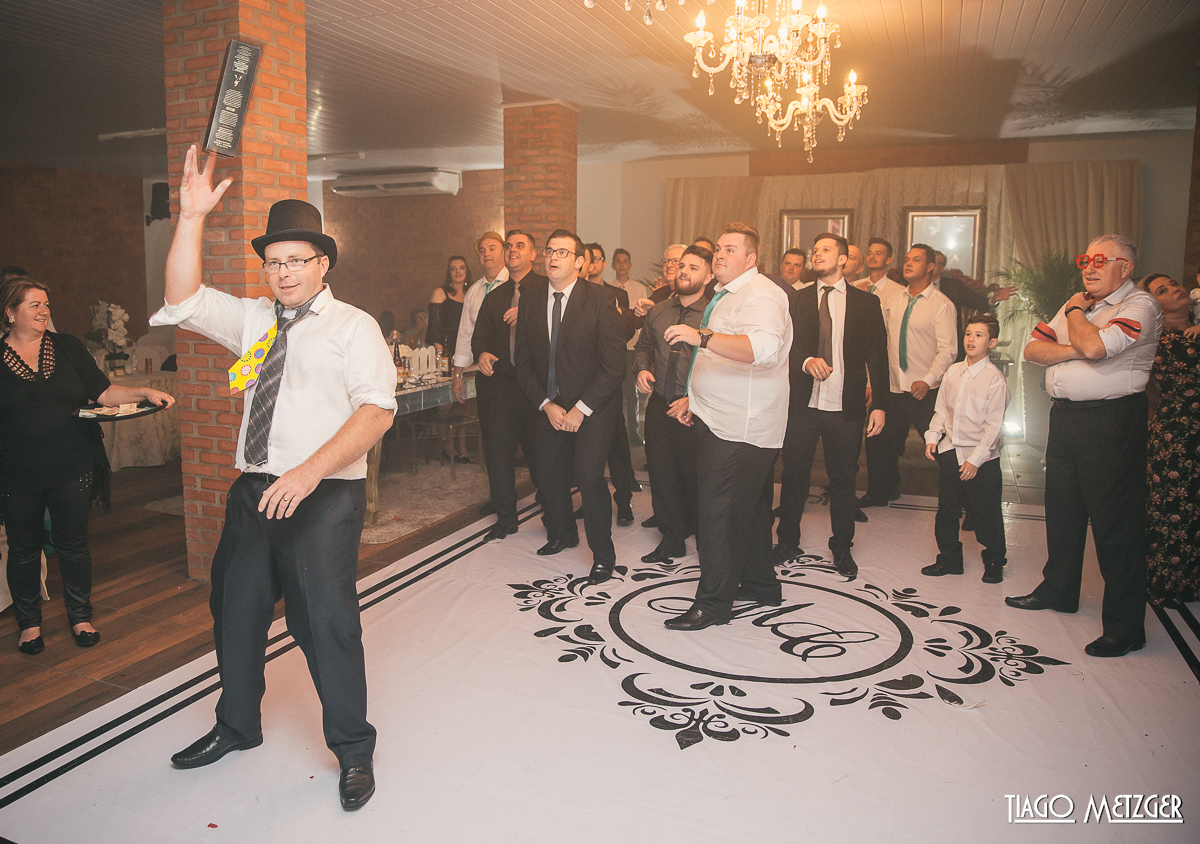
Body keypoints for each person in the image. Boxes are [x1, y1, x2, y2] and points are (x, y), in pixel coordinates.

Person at [156, 147, 395, 809]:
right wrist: (190, 216)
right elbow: (180, 297)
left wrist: (308, 473)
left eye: (297, 260)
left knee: (327, 626)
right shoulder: (256, 321)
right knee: (233, 613)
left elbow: (376, 411)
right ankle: (236, 727)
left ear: (323, 265)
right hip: (254, 491)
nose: (284, 272)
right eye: (274, 261)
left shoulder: (353, 327)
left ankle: (353, 750)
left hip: (323, 496)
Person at [1006, 234, 1161, 658]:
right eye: (1084, 260)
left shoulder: (1138, 306)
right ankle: (1059, 590)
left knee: (1115, 524)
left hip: (1110, 423)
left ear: (1125, 268)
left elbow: (1096, 347)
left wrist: (1075, 314)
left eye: (1099, 261)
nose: (1088, 268)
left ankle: (1126, 626)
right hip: (1068, 417)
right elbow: (1033, 350)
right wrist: (1080, 343)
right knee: (1063, 510)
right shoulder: (1081, 304)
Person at [0, 277, 174, 656]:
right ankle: (29, 625)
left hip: (71, 464)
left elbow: (104, 391)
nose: (44, 310)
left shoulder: (66, 347)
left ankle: (80, 617)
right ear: (11, 312)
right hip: (16, 473)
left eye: (46, 304)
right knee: (24, 549)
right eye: (34, 305)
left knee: (73, 546)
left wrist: (142, 392)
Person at [661, 223, 792, 630]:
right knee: (749, 509)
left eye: (731, 250)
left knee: (716, 513)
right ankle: (759, 584)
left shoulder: (764, 296)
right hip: (720, 418)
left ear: (751, 259)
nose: (719, 255)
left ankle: (715, 603)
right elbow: (719, 361)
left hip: (742, 427)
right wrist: (694, 400)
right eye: (718, 248)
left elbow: (762, 351)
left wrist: (700, 335)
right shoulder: (728, 293)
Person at [514, 230, 626, 585]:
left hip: (592, 406)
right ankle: (563, 532)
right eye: (549, 251)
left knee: (589, 477)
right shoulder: (530, 299)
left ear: (580, 261)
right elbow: (524, 363)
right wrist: (546, 404)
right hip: (550, 405)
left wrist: (581, 408)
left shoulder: (600, 299)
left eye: (562, 252)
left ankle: (603, 555)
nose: (553, 257)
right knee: (547, 474)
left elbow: (614, 366)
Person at [774, 234, 887, 576]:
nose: (817, 254)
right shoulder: (797, 299)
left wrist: (880, 403)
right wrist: (806, 359)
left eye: (825, 250)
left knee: (843, 479)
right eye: (815, 249)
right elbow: (782, 347)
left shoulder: (866, 303)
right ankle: (787, 541)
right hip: (802, 405)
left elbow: (878, 355)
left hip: (845, 405)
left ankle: (841, 547)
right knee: (794, 476)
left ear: (843, 259)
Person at [860, 244, 957, 508]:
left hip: (926, 390)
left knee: (943, 446)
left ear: (931, 268)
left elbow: (949, 350)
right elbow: (882, 344)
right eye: (906, 259)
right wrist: (873, 381)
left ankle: (961, 502)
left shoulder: (941, 305)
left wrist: (927, 380)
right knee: (879, 441)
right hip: (892, 387)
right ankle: (880, 492)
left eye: (916, 260)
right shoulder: (894, 301)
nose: (909, 263)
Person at [634, 245, 712, 563]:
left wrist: (694, 399)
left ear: (708, 276)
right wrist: (641, 367)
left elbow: (723, 363)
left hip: (698, 409)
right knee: (662, 475)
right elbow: (643, 346)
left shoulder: (715, 314)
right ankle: (671, 538)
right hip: (661, 404)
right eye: (681, 266)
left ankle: (707, 538)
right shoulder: (658, 311)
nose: (683, 271)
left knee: (698, 476)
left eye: (693, 267)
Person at [922, 314, 1010, 582]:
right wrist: (932, 436)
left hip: (980, 459)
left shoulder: (994, 380)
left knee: (985, 514)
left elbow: (993, 428)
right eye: (968, 334)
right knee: (947, 511)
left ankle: (994, 561)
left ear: (992, 342)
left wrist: (975, 461)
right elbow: (941, 410)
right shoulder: (953, 371)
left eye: (979, 335)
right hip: (951, 451)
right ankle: (950, 560)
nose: (971, 339)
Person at [472, 230, 547, 542]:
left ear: (532, 254)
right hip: (503, 385)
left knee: (542, 453)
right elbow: (480, 337)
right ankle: (505, 517)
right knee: (499, 452)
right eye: (509, 246)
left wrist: (528, 313)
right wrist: (483, 354)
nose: (512, 251)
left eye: (520, 246)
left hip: (539, 387)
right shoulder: (495, 297)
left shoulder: (547, 290)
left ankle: (554, 512)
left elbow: (563, 333)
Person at [1141, 274, 1200, 607]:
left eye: (1174, 284)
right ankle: (1165, 585)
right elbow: (1147, 387)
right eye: (1162, 290)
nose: (1175, 289)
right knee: (1172, 509)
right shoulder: (1155, 339)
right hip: (1175, 434)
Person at [585, 242, 640, 526]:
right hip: (579, 380)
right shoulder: (572, 295)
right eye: (586, 259)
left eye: (595, 259)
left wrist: (624, 318)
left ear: (602, 263)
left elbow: (626, 331)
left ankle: (623, 500)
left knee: (615, 445)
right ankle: (590, 499)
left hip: (608, 378)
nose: (590, 264)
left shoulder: (616, 294)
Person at [613, 248, 650, 447]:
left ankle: (634, 432)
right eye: (618, 261)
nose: (621, 265)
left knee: (632, 393)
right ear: (612, 265)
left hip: (632, 346)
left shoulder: (639, 288)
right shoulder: (607, 288)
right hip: (615, 347)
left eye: (625, 261)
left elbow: (642, 319)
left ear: (630, 265)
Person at [427, 255, 468, 356]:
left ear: (467, 271)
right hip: (445, 347)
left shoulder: (471, 293)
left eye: (461, 268)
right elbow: (434, 327)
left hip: (466, 346)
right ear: (449, 273)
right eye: (453, 269)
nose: (458, 272)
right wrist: (441, 353)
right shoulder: (440, 292)